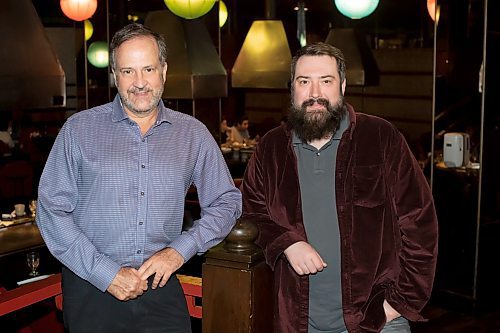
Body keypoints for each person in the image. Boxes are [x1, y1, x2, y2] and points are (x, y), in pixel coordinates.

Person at [36, 23, 241, 332]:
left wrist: (179, 251)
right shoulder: (78, 131)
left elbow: (226, 202)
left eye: (148, 69)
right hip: (92, 288)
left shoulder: (193, 134)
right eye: (128, 71)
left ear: (164, 70)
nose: (140, 83)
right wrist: (107, 274)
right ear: (114, 75)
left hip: (161, 288)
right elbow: (51, 211)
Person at [240, 42, 438, 333]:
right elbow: (251, 213)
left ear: (342, 85)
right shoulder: (271, 148)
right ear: (292, 88)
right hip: (297, 321)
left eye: (326, 81)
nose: (315, 93)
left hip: (375, 319)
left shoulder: (381, 137)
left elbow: (420, 223)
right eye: (304, 82)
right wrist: (287, 242)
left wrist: (400, 302)